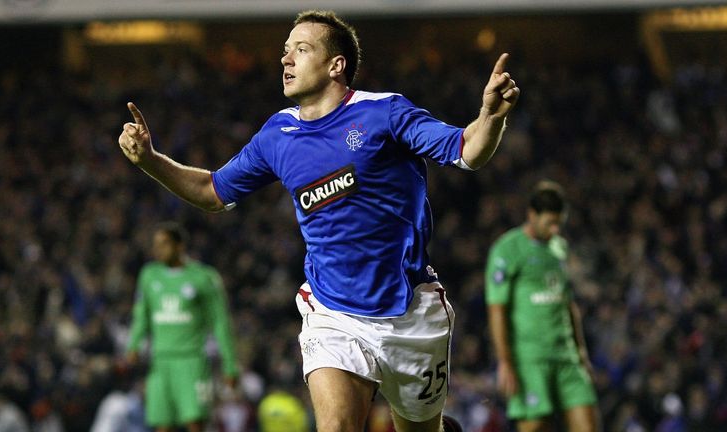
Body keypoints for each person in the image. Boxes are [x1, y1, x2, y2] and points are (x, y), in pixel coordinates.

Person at [117, 9, 519, 432]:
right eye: (285, 52)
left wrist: (491, 117)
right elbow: (211, 192)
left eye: (301, 50)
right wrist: (150, 160)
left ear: (336, 65)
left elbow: (467, 150)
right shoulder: (277, 136)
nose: (286, 60)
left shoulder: (384, 113)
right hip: (332, 312)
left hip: (411, 315)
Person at [484, 181, 600, 432]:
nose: (555, 229)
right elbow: (497, 309)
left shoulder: (559, 247)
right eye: (550, 223)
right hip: (530, 360)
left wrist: (581, 354)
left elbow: (568, 303)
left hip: (567, 358)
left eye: (559, 223)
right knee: (536, 426)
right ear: (532, 215)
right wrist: (505, 361)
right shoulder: (507, 249)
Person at [126, 222, 239, 432]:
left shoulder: (203, 277)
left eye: (165, 244)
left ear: (180, 246)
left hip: (192, 361)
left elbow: (220, 322)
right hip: (160, 362)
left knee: (195, 423)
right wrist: (133, 345)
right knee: (162, 424)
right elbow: (141, 315)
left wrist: (230, 365)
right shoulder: (149, 275)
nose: (158, 249)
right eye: (156, 244)